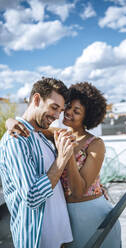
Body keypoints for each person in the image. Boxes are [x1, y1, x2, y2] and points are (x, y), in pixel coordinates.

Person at [6, 82, 122, 247]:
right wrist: (9, 122)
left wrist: (67, 155)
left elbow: (79, 191)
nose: (67, 113)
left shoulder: (95, 144)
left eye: (76, 111)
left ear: (87, 117)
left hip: (91, 212)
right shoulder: (58, 134)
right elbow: (29, 126)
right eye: (67, 107)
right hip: (66, 216)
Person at [0, 77, 78, 248]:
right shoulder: (16, 139)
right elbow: (32, 197)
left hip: (60, 236)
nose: (57, 116)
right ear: (36, 99)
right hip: (37, 240)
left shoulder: (41, 135)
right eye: (54, 107)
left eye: (61, 111)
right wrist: (62, 159)